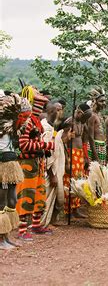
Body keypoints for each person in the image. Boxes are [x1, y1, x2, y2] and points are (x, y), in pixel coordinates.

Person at [16, 86, 54, 240]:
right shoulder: (27, 121)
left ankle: (36, 225)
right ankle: (22, 230)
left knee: (39, 194)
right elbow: (23, 144)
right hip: (27, 163)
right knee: (26, 195)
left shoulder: (35, 120)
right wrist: (47, 146)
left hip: (37, 162)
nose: (42, 107)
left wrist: (42, 149)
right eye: (40, 104)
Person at [0, 92, 31, 249]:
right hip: (2, 167)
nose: (25, 120)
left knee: (12, 201)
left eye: (27, 117)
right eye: (23, 117)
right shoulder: (2, 127)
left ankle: (7, 236)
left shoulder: (14, 130)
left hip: (11, 165)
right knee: (2, 201)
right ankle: (1, 239)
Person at [40, 101, 70, 227]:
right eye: (58, 110)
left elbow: (58, 147)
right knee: (46, 196)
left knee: (58, 196)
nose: (60, 112)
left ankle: (51, 220)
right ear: (51, 112)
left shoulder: (53, 128)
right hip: (48, 170)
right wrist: (51, 174)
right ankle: (41, 223)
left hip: (57, 167)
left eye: (61, 109)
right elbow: (46, 154)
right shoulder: (45, 128)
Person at [63, 103, 92, 217]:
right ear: (79, 113)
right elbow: (63, 141)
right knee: (69, 181)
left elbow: (85, 142)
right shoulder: (70, 122)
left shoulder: (82, 123)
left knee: (79, 181)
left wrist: (86, 157)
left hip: (79, 155)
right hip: (71, 153)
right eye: (85, 117)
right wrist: (66, 160)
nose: (85, 120)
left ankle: (76, 209)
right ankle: (67, 210)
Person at [87, 88, 108, 166]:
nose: (104, 103)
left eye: (104, 101)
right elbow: (90, 136)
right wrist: (95, 154)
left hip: (102, 146)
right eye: (101, 101)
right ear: (95, 101)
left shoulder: (99, 114)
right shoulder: (92, 115)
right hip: (95, 146)